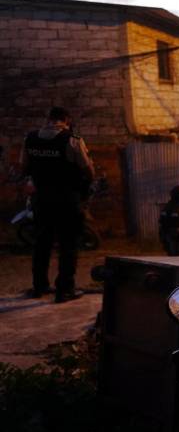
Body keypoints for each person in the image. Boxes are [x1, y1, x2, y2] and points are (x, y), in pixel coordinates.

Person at [20, 107, 95, 302]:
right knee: (68, 245)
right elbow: (88, 170)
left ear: (48, 119)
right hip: (67, 200)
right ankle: (64, 290)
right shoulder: (73, 140)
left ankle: (39, 286)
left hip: (41, 200)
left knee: (41, 243)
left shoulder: (30, 138)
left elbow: (24, 166)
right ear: (66, 120)